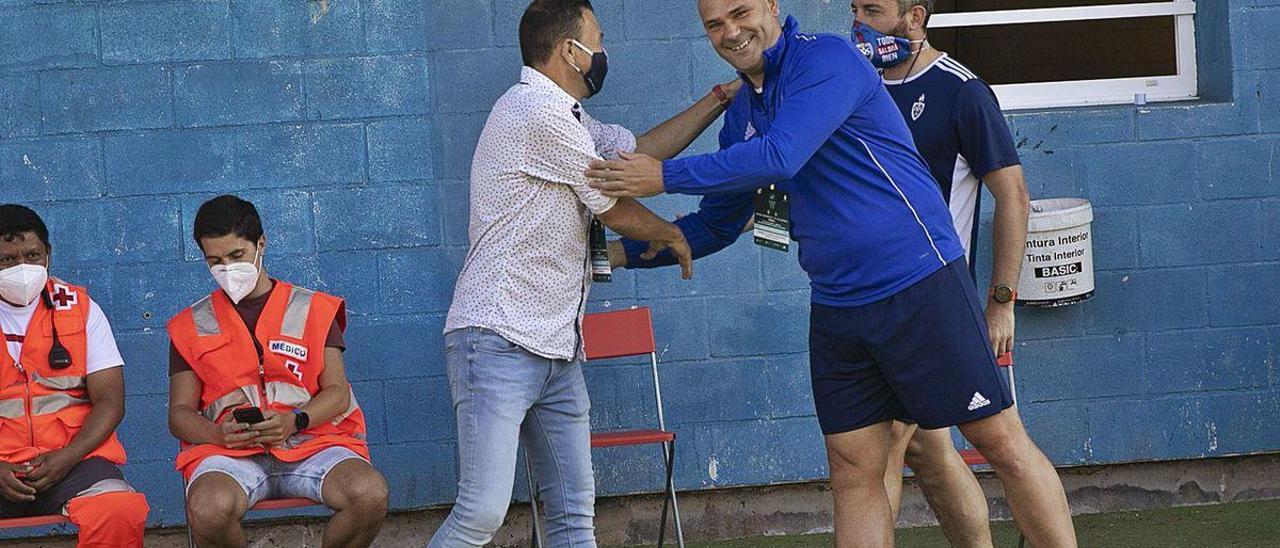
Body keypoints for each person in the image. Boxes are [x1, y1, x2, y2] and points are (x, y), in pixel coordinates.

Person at [588, 1, 1076, 546]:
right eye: (714, 24)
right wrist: (610, 253)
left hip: (917, 284)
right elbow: (715, 226)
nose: (730, 31)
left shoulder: (829, 59)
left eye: (740, 11)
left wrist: (663, 174)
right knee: (853, 470)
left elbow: (782, 155)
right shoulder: (742, 115)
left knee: (999, 443)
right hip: (839, 307)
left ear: (772, 5)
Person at [431, 0, 740, 545]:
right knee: (481, 512)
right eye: (597, 40)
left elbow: (637, 154)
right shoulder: (534, 112)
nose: (603, 53)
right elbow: (614, 206)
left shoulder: (568, 117)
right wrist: (673, 234)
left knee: (574, 515)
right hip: (497, 339)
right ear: (570, 51)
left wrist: (720, 97)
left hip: (554, 347)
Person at [851, 1, 1032, 546]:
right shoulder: (857, 84)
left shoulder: (961, 90)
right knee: (929, 450)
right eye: (854, 7)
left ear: (915, 17)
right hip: (869, 302)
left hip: (931, 300)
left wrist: (1001, 300)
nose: (859, 21)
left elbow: (1013, 195)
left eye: (873, 9)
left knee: (878, 448)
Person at [167, 195, 388, 548]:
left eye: (236, 256)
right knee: (208, 508)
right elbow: (178, 414)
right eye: (215, 261)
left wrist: (294, 421)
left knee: (369, 494)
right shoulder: (190, 325)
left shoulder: (314, 308)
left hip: (312, 442)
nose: (227, 269)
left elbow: (336, 392)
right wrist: (217, 434)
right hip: (231, 454)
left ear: (261, 244)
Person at [0, 204, 149, 546]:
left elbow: (111, 401)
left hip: (74, 460)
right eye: (7, 260)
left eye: (32, 254)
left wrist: (67, 458)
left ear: (48, 253)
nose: (22, 268)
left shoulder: (81, 310)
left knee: (119, 510)